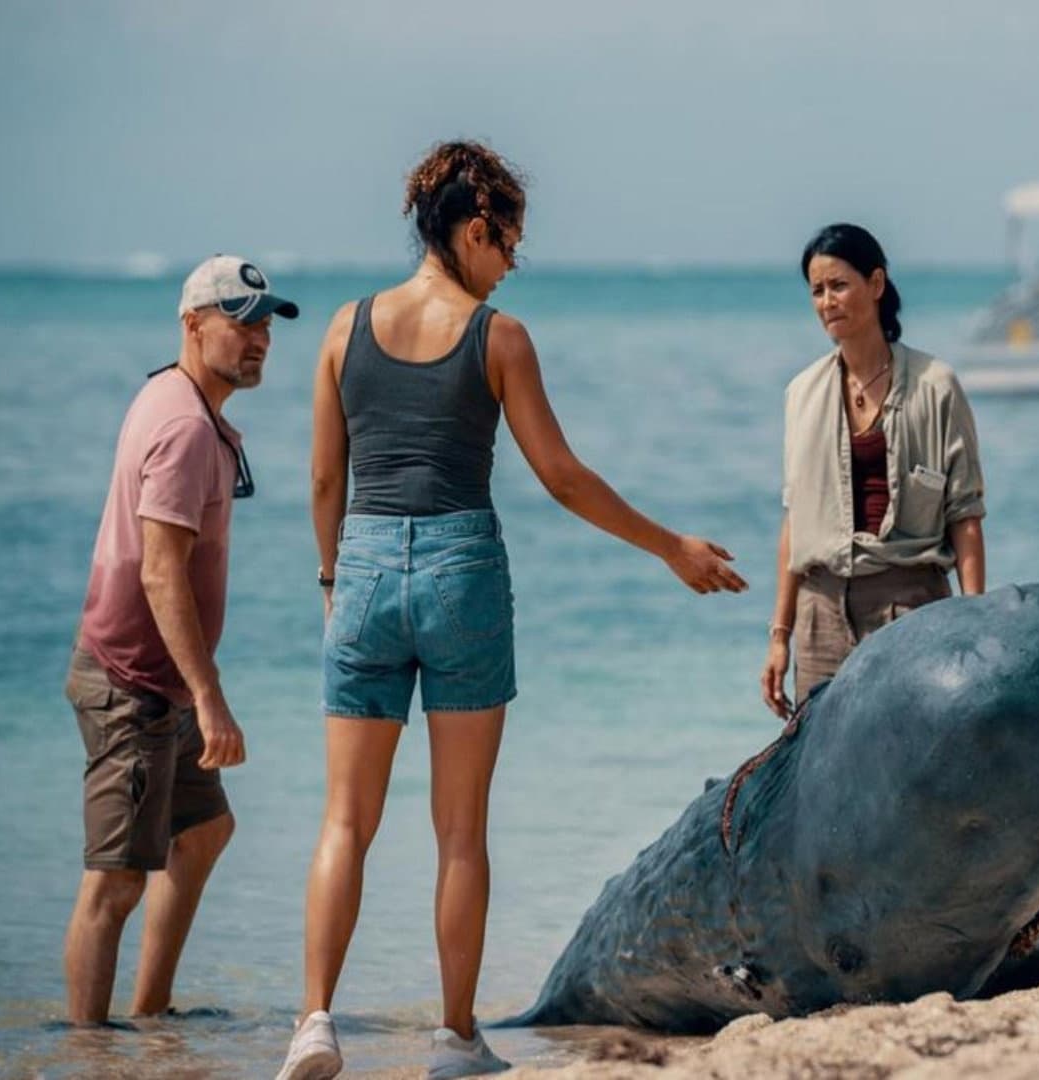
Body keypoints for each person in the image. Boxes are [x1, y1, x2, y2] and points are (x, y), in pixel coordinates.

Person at [277, 140, 746, 1080]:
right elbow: (562, 478)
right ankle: (455, 1041)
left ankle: (314, 1025)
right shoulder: (498, 337)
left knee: (343, 822)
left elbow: (325, 478)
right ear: (476, 228)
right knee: (460, 828)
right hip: (459, 567)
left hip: (363, 564)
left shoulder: (341, 328)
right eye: (508, 246)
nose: (509, 268)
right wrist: (672, 549)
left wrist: (335, 581)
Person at [62, 255, 298, 1023]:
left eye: (265, 322)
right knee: (115, 883)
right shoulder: (185, 427)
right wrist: (210, 696)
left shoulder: (173, 392)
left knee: (203, 831)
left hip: (158, 679)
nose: (258, 337)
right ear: (192, 323)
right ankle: (89, 1056)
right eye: (241, 319)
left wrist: (193, 689)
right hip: (132, 681)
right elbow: (162, 574)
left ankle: (150, 1018)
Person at [758, 224, 987, 717]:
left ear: (876, 285)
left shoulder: (936, 386)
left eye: (839, 285)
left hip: (911, 606)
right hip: (819, 615)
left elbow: (965, 514)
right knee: (820, 781)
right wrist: (780, 636)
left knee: (913, 770)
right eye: (817, 291)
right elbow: (795, 520)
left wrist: (975, 620)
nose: (826, 302)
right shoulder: (801, 393)